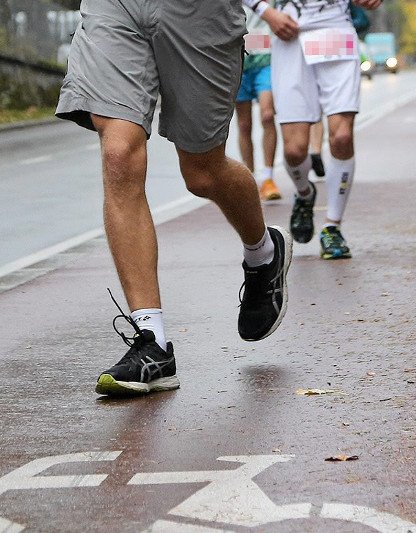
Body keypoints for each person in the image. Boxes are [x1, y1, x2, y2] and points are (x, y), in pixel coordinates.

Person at [56, 0, 293, 396]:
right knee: (119, 155)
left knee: (202, 173)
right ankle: (153, 342)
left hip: (200, 13)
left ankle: (264, 252)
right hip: (117, 7)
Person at [264, 0, 382, 259]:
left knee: (342, 136)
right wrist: (267, 12)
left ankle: (332, 226)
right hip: (290, 38)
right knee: (295, 151)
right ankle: (304, 193)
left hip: (336, 33)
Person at [236, 2, 282, 202]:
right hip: (238, 59)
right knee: (244, 125)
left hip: (266, 59)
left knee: (267, 115)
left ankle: (268, 178)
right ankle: (251, 181)